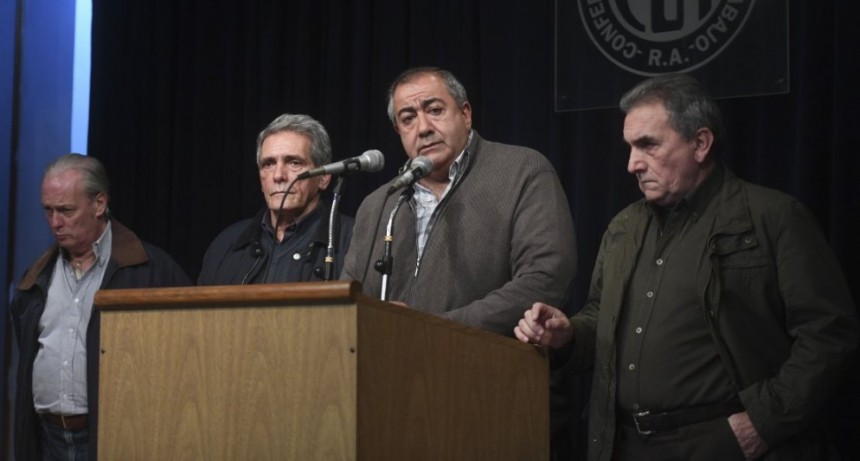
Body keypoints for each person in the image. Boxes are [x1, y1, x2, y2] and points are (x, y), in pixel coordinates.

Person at [514, 73, 859, 460]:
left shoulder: (773, 217)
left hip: (720, 445)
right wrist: (568, 335)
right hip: (626, 445)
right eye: (630, 147)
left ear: (700, 143)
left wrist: (763, 422)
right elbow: (601, 317)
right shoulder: (623, 227)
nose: (632, 164)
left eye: (648, 145)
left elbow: (829, 333)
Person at [341, 67, 576, 335]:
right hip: (388, 359)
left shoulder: (523, 171)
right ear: (398, 130)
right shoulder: (379, 205)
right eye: (408, 119)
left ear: (465, 114)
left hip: (486, 358)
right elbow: (348, 303)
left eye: (435, 110)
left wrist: (431, 328)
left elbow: (546, 278)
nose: (423, 128)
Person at [9, 153, 190, 461]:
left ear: (99, 204)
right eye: (48, 210)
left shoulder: (151, 269)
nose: (55, 222)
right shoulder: (36, 278)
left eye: (66, 210)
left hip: (120, 436)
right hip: (47, 439)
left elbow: (188, 358)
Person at [198, 113, 354, 285]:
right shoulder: (226, 245)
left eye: (294, 163)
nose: (278, 175)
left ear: (324, 177)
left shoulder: (354, 241)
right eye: (268, 164)